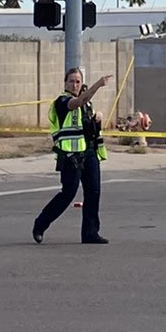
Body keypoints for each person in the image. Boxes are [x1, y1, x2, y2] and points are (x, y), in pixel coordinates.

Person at [33, 66, 112, 245]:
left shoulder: (87, 104)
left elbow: (85, 126)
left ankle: (90, 233)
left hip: (89, 152)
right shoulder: (62, 101)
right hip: (71, 155)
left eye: (78, 81)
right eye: (72, 81)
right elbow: (76, 103)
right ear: (65, 83)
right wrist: (98, 85)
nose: (75, 84)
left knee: (93, 191)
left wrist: (96, 119)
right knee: (68, 193)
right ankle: (40, 224)